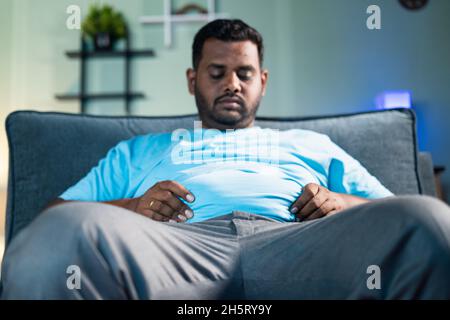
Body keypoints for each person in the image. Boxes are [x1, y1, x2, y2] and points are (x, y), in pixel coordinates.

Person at [2, 19, 450, 300]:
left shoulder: (312, 144)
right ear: (193, 80)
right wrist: (134, 208)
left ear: (263, 81)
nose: (232, 83)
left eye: (244, 73)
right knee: (58, 237)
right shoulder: (139, 150)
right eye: (217, 73)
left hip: (301, 246)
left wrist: (340, 202)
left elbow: (390, 208)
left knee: (429, 220)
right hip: (176, 250)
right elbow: (53, 215)